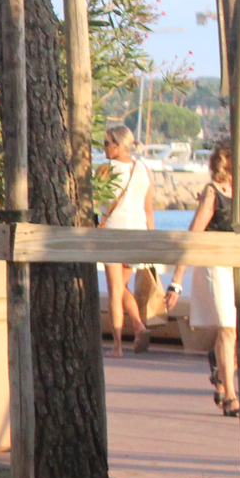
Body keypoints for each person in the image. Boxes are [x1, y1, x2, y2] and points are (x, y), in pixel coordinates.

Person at [185, 143, 240, 416]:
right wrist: (175, 279)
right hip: (214, 265)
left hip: (236, 266)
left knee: (230, 331)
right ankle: (231, 393)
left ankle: (221, 376)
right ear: (225, 161)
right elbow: (193, 233)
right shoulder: (212, 192)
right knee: (228, 328)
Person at [96, 125, 154, 356]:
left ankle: (118, 345)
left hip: (113, 232)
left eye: (107, 143)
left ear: (119, 144)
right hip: (137, 233)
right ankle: (139, 327)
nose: (104, 148)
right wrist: (151, 239)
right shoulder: (144, 169)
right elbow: (148, 209)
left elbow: (98, 203)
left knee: (115, 291)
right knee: (122, 288)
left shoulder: (105, 170)